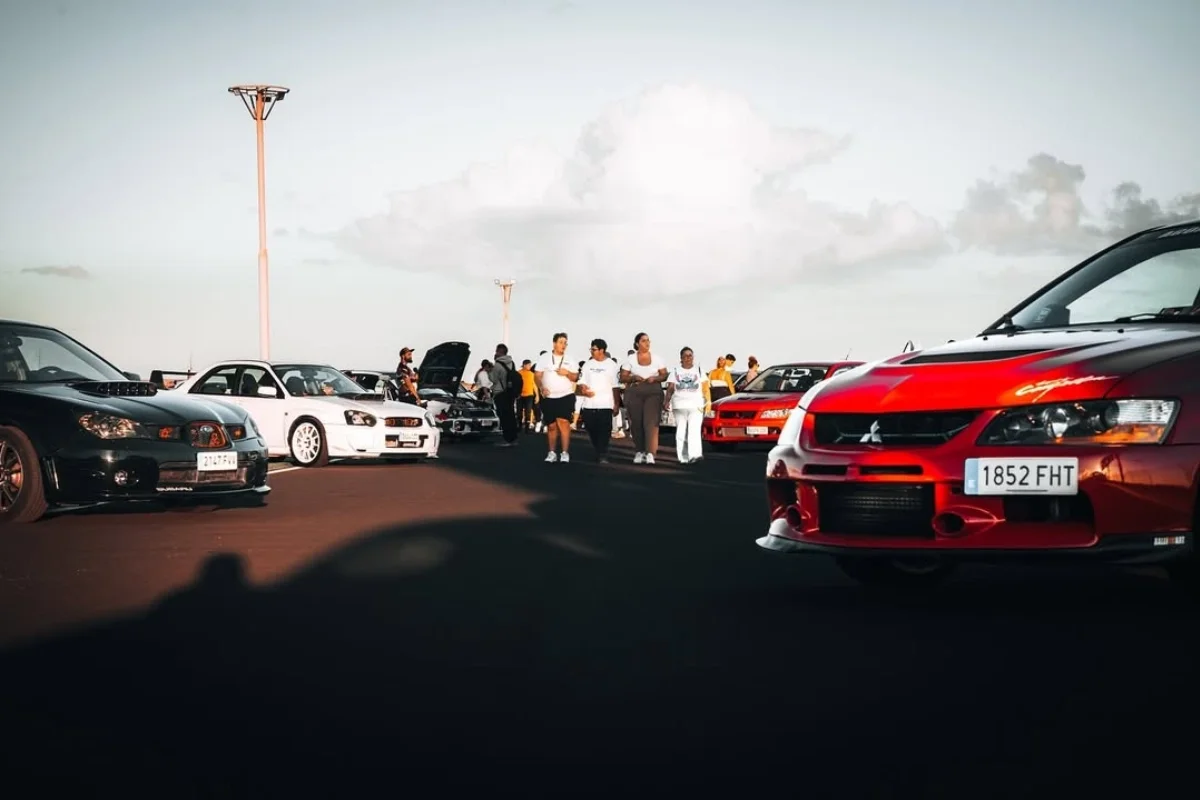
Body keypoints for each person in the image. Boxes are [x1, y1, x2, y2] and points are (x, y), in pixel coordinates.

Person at [619, 332, 668, 465]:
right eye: (644, 341)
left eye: (648, 340)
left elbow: (664, 375)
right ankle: (639, 451)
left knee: (651, 422)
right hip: (635, 391)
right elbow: (623, 377)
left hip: (653, 391)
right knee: (636, 422)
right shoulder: (630, 359)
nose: (647, 343)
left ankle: (651, 452)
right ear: (637, 344)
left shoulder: (657, 359)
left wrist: (656, 378)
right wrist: (632, 378)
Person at [534, 333, 579, 463]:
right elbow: (537, 376)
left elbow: (576, 377)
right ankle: (552, 452)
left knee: (563, 422)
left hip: (565, 395)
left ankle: (565, 452)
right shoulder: (544, 358)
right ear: (554, 343)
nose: (563, 345)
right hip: (548, 396)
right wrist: (541, 387)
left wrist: (567, 373)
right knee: (552, 425)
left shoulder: (570, 359)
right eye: (560, 342)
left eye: (565, 343)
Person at [576, 338, 621, 463]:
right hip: (589, 404)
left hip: (606, 403)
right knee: (591, 428)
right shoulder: (588, 364)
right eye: (591, 349)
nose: (592, 351)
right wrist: (583, 389)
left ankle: (603, 453)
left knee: (604, 430)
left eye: (594, 349)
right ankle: (598, 448)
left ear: (602, 350)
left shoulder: (611, 365)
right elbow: (581, 382)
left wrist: (616, 404)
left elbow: (615, 386)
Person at [665, 346, 712, 464]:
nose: (688, 358)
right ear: (681, 358)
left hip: (696, 405)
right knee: (681, 431)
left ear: (693, 357)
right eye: (685, 356)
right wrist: (666, 401)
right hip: (679, 405)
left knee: (694, 430)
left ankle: (695, 455)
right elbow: (670, 388)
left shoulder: (699, 370)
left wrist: (708, 401)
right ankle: (683, 457)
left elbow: (705, 387)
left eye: (690, 355)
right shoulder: (675, 371)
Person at [488, 344, 520, 447]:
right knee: (511, 415)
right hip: (510, 392)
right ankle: (513, 438)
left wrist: (489, 370)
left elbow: (493, 379)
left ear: (499, 352)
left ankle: (507, 439)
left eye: (497, 351)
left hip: (501, 392)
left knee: (504, 417)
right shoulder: (511, 363)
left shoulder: (497, 364)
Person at [517, 359, 538, 431]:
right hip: (520, 395)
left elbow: (534, 385)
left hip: (529, 395)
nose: (530, 366)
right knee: (519, 411)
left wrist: (537, 396)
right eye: (529, 365)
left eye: (530, 365)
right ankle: (519, 426)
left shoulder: (532, 374)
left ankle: (527, 427)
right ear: (524, 365)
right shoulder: (518, 373)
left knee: (528, 412)